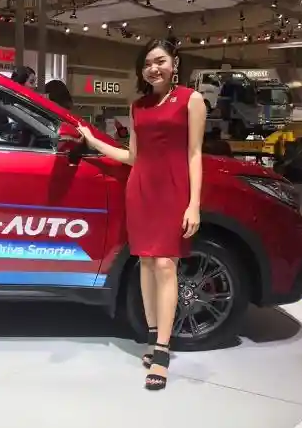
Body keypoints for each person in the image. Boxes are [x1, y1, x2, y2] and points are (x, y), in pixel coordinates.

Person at [75, 39, 206, 391]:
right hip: (141, 190)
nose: (153, 69)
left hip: (174, 190)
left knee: (166, 265)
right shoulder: (137, 106)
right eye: (147, 64)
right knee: (146, 263)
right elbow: (133, 156)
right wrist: (94, 142)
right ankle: (153, 335)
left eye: (160, 61)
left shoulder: (191, 100)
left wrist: (194, 203)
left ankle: (162, 350)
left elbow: (195, 154)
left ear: (174, 63)